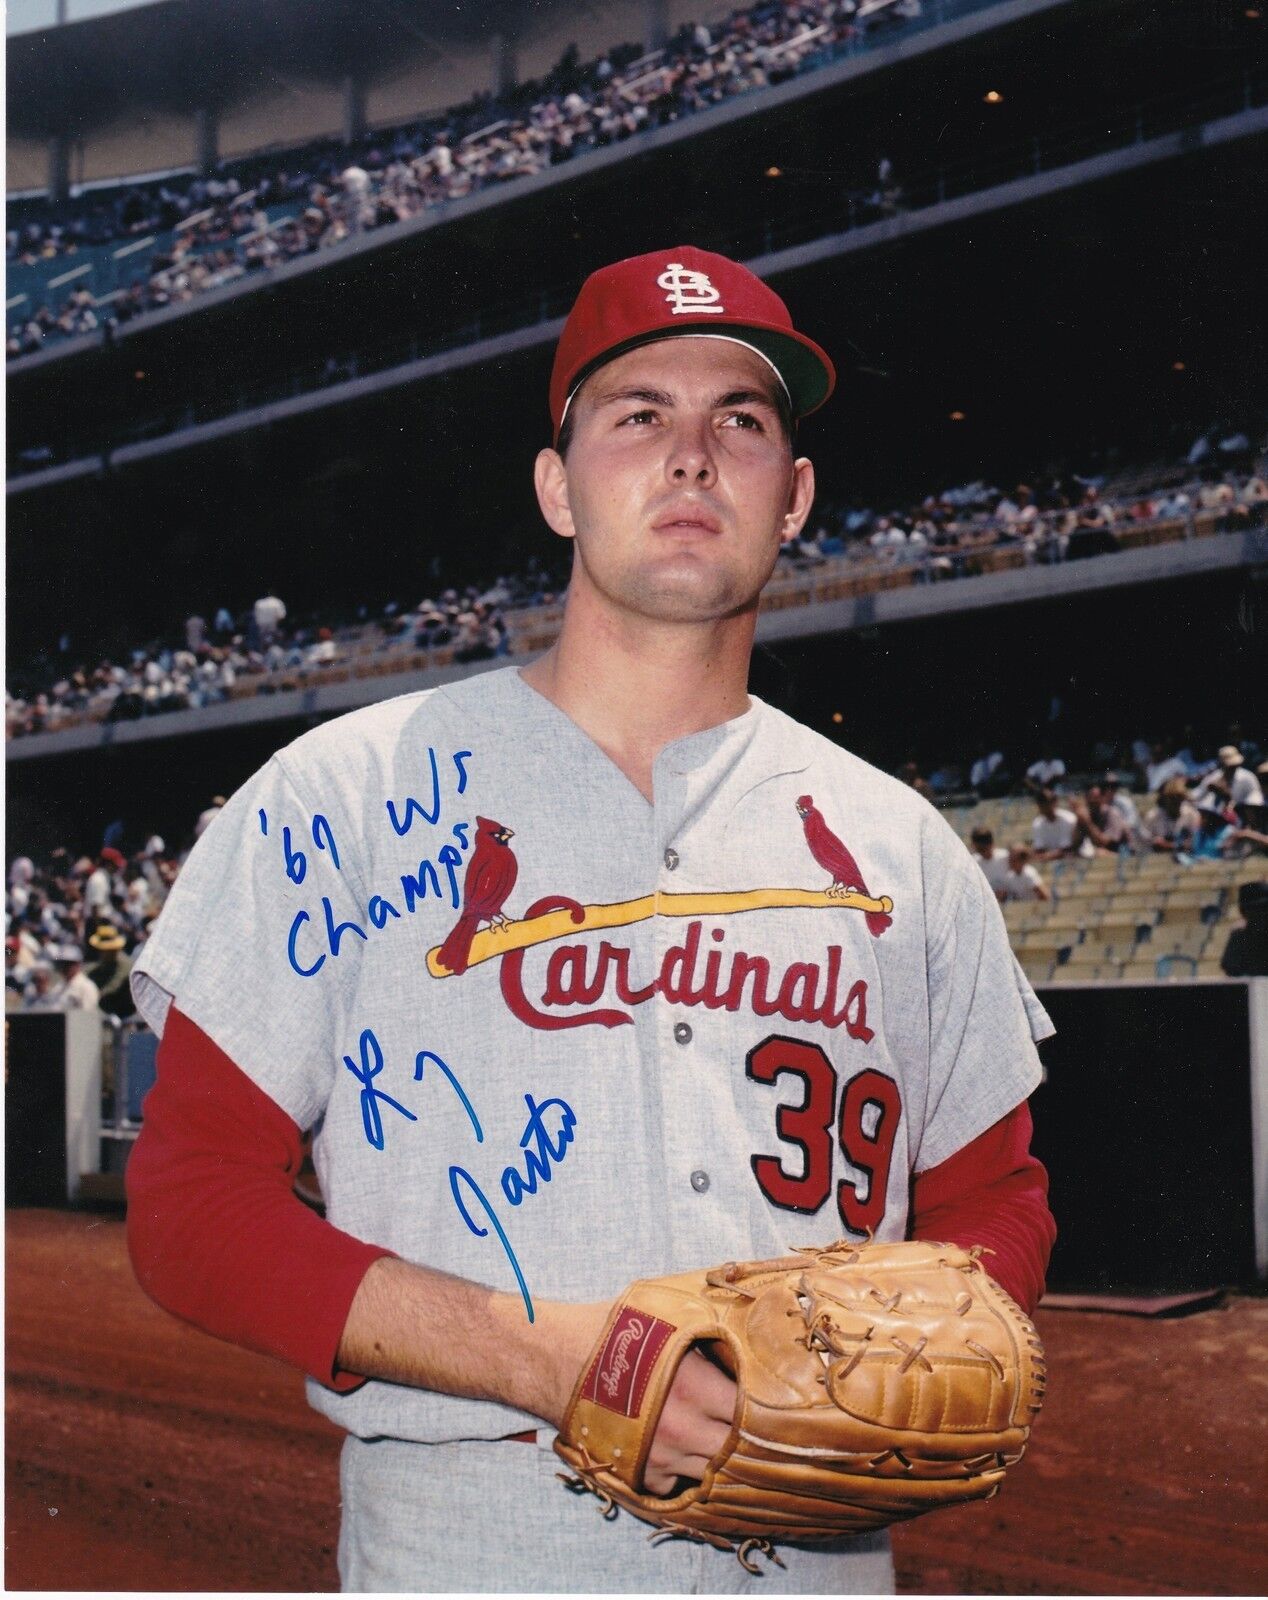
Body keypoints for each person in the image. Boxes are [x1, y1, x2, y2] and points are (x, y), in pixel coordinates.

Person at [125, 246, 1055, 1594]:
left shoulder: (902, 847)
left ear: (791, 498)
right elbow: (189, 1200)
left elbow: (994, 1199)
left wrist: (878, 1360)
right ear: (558, 487)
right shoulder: (342, 797)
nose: (692, 456)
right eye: (638, 416)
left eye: (740, 420)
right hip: (474, 1530)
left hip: (812, 1545)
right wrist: (544, 1356)